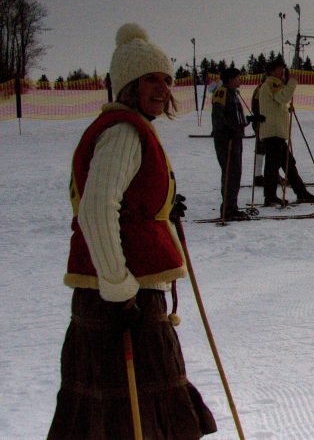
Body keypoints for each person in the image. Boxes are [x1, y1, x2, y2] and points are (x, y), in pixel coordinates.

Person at [49, 23, 217, 439]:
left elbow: (123, 201)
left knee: (130, 408)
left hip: (124, 290)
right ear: (127, 85)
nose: (162, 87)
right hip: (123, 294)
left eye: (166, 78)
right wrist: (118, 285)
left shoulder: (128, 128)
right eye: (150, 79)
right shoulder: (124, 131)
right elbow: (95, 209)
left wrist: (160, 208)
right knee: (133, 411)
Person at [257, 57, 314, 205]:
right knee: (274, 166)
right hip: (273, 132)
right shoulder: (272, 83)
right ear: (272, 71)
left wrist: (285, 108)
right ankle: (271, 196)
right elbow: (282, 97)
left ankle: (300, 192)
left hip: (276, 132)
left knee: (288, 164)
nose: (282, 71)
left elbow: (278, 102)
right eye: (280, 69)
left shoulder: (274, 83)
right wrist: (292, 82)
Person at [211, 67, 256, 220]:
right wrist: (227, 129)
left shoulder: (233, 93)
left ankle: (232, 207)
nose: (240, 80)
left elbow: (234, 116)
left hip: (234, 137)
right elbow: (218, 115)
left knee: (235, 173)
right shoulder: (222, 92)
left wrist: (248, 120)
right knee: (230, 172)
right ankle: (228, 209)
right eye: (238, 77)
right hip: (226, 139)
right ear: (230, 79)